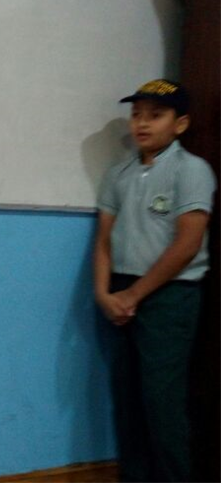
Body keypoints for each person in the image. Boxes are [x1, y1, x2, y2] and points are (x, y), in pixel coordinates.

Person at [93, 79, 215, 483]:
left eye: (155, 115)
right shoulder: (119, 173)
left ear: (180, 124)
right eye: (136, 115)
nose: (142, 123)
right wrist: (103, 293)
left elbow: (187, 245)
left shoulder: (192, 170)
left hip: (169, 296)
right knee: (127, 402)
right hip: (121, 293)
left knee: (162, 402)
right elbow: (104, 240)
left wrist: (134, 294)